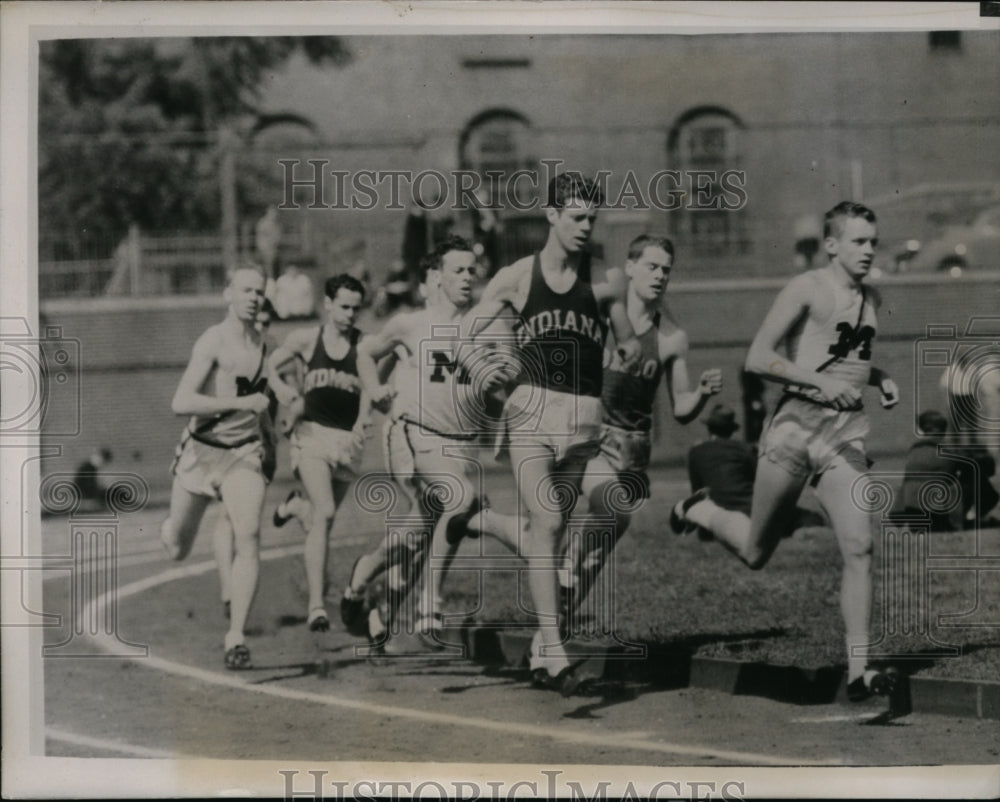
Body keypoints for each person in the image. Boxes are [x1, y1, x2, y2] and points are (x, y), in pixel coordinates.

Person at [670, 201, 901, 702]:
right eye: (858, 241)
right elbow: (758, 357)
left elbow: (849, 361)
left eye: (873, 242)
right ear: (832, 244)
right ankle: (702, 509)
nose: (868, 251)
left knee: (860, 545)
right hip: (794, 428)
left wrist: (878, 378)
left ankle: (860, 669)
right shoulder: (807, 288)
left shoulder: (872, 298)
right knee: (756, 551)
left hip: (842, 435)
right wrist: (818, 382)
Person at [458, 172, 642, 695]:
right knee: (550, 520)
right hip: (531, 413)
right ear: (552, 215)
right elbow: (466, 332)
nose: (585, 227)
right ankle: (557, 652)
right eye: (577, 217)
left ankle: (542, 646)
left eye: (592, 218)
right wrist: (480, 366)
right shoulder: (518, 276)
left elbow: (627, 341)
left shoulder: (604, 278)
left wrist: (629, 350)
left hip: (583, 422)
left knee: (557, 530)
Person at [346, 235, 517, 650]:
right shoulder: (411, 323)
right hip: (413, 432)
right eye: (457, 270)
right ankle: (429, 604)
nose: (467, 277)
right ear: (435, 278)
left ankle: (369, 584)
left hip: (461, 444)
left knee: (427, 531)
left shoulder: (490, 324)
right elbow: (366, 353)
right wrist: (375, 390)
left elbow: (500, 396)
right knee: (458, 502)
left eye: (471, 270)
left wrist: (501, 386)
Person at [560, 235, 723, 619]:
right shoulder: (599, 316)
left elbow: (681, 407)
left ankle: (559, 620)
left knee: (608, 536)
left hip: (632, 447)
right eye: (651, 266)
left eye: (666, 269)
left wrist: (699, 392)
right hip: (590, 434)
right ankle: (566, 561)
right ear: (630, 267)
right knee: (610, 505)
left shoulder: (671, 337)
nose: (660, 275)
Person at [160, 262, 272, 670]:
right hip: (201, 451)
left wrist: (269, 441)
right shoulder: (213, 340)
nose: (253, 297)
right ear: (228, 293)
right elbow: (181, 402)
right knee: (177, 548)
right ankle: (169, 529)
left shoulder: (262, 341)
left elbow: (263, 403)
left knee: (251, 535)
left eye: (258, 291)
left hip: (243, 453)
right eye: (245, 290)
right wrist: (240, 404)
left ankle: (236, 636)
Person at [266, 274, 374, 632]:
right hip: (311, 436)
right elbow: (267, 366)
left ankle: (296, 507)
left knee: (318, 521)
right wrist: (282, 387)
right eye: (343, 307)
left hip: (347, 444)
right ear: (328, 304)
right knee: (325, 513)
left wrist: (364, 419)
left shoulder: (365, 346)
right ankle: (316, 606)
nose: (349, 315)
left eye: (356, 309)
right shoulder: (306, 339)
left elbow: (373, 388)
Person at [212, 300, 280, 620]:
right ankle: (229, 587)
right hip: (225, 440)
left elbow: (274, 403)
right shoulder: (228, 350)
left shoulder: (271, 354)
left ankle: (233, 588)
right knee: (231, 518)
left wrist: (273, 438)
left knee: (244, 525)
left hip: (256, 442)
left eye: (267, 322)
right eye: (258, 321)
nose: (261, 328)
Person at [892, 410, 998, 530]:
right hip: (938, 514)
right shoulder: (948, 449)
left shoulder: (913, 451)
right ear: (944, 429)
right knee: (974, 474)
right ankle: (974, 517)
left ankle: (968, 518)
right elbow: (988, 468)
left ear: (921, 430)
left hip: (914, 519)